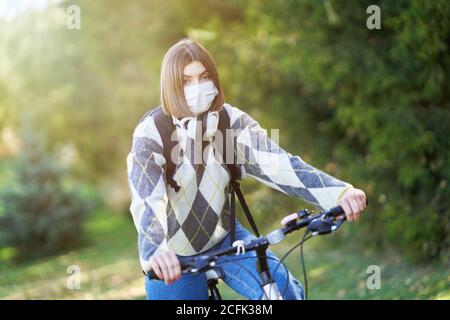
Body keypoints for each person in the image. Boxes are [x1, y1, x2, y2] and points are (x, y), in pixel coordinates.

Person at [126, 38, 367, 300]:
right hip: (172, 254)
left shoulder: (231, 122)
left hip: (225, 238)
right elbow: (147, 198)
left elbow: (280, 165)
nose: (197, 87)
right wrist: (155, 250)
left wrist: (340, 193)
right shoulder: (152, 133)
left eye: (204, 77)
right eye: (186, 81)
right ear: (171, 86)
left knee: (283, 293)